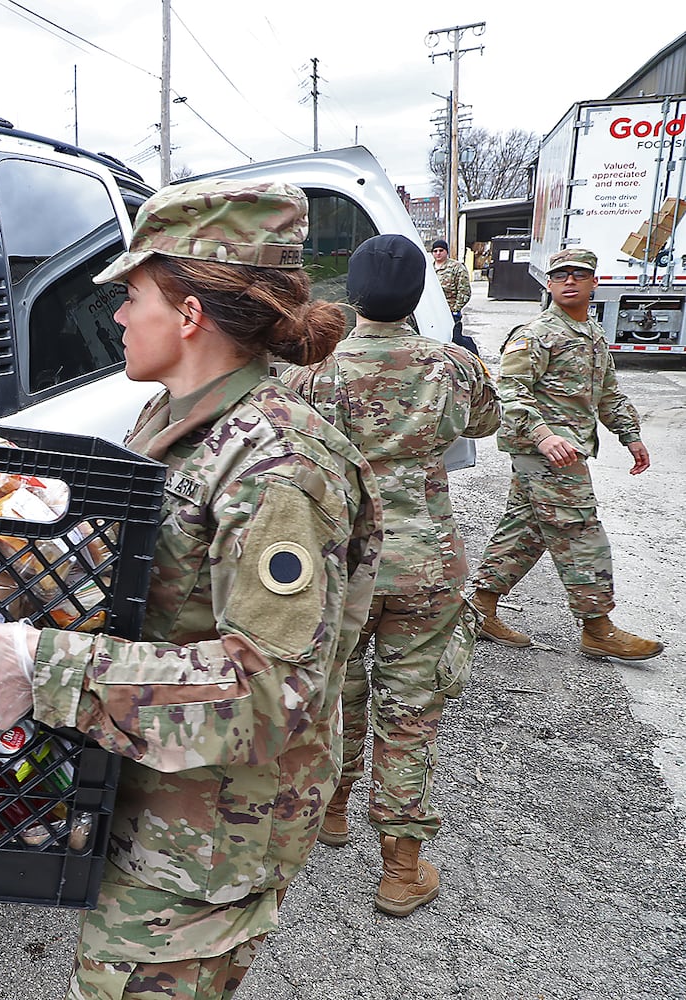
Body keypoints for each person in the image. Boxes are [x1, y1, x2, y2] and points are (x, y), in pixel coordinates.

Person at [0, 180, 382, 1000]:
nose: (117, 317)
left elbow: (271, 691)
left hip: (208, 834)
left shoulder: (279, 465)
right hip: (154, 789)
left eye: (132, 295)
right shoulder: (178, 418)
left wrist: (47, 667)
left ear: (189, 316)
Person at [282, 234, 500, 916]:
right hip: (426, 565)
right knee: (410, 714)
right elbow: (487, 422)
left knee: (337, 697)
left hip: (342, 566)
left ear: (351, 293)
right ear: (418, 297)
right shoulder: (454, 365)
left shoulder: (312, 373)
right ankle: (401, 870)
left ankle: (334, 812)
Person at [468, 248, 663, 661]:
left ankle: (479, 607)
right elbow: (510, 391)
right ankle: (597, 627)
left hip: (564, 451)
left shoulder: (590, 333)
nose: (569, 281)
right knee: (580, 530)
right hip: (545, 451)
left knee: (528, 528)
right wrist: (542, 435)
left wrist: (630, 434)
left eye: (579, 275)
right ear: (549, 284)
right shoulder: (536, 334)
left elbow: (607, 391)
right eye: (560, 276)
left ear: (595, 282)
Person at [430, 239, 478, 354]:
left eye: (441, 250)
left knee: (454, 340)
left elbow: (464, 291)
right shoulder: (430, 269)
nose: (438, 253)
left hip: (450, 311)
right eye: (435, 251)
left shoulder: (456, 267)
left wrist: (455, 309)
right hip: (433, 311)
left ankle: (472, 354)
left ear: (446, 251)